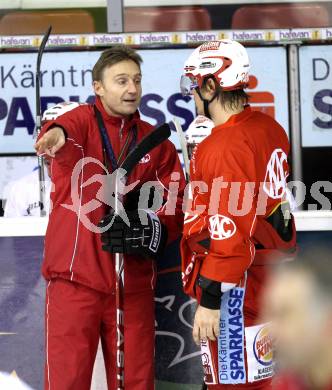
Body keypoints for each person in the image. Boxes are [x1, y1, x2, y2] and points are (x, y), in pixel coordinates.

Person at [34, 45, 185, 390]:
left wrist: (153, 225)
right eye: (121, 81)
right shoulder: (82, 124)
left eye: (136, 80)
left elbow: (174, 201)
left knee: (137, 382)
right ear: (98, 87)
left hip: (131, 282)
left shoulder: (154, 140)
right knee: (65, 382)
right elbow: (64, 127)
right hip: (75, 280)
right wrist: (55, 133)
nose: (132, 88)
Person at [180, 39, 297, 389]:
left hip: (236, 286)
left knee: (233, 384)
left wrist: (211, 298)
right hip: (270, 278)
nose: (192, 95)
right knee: (265, 380)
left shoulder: (223, 144)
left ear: (212, 85)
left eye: (195, 86)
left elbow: (229, 230)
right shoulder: (268, 127)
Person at [263, 248, 332, 390]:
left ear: (327, 319)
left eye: (284, 314)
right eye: (268, 314)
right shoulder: (287, 384)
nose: (270, 331)